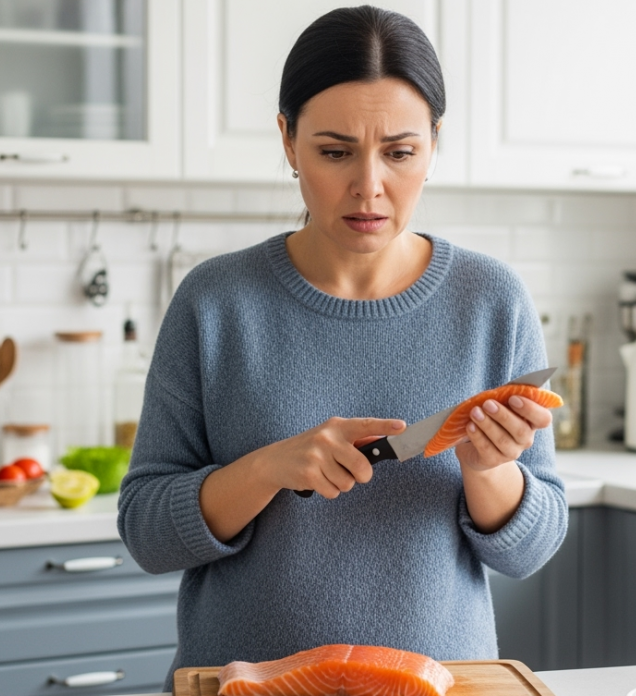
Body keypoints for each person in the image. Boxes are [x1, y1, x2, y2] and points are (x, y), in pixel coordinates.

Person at [117, 5, 567, 686]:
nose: (369, 186)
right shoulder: (215, 303)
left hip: (439, 682)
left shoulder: (491, 300)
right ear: (287, 139)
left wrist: (487, 469)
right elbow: (148, 531)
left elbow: (530, 549)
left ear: (434, 145)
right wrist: (269, 468)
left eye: (400, 152)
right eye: (334, 152)